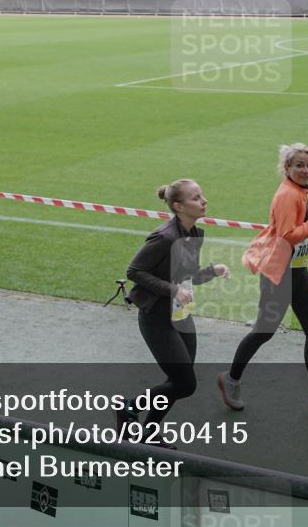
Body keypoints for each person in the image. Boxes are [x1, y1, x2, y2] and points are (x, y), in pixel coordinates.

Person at [217, 143, 308, 412]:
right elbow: (288, 235)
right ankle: (230, 379)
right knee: (264, 331)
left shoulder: (298, 191)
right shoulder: (288, 194)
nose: (305, 170)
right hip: (280, 274)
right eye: (299, 165)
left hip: (297, 271)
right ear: (286, 168)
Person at [121, 179, 230, 447]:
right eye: (195, 198)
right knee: (185, 384)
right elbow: (134, 271)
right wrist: (171, 290)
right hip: (157, 319)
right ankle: (128, 408)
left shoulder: (193, 234)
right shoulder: (165, 237)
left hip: (181, 315)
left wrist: (212, 271)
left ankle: (148, 432)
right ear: (179, 206)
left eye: (201, 195)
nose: (203, 200)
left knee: (177, 381)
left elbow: (187, 276)